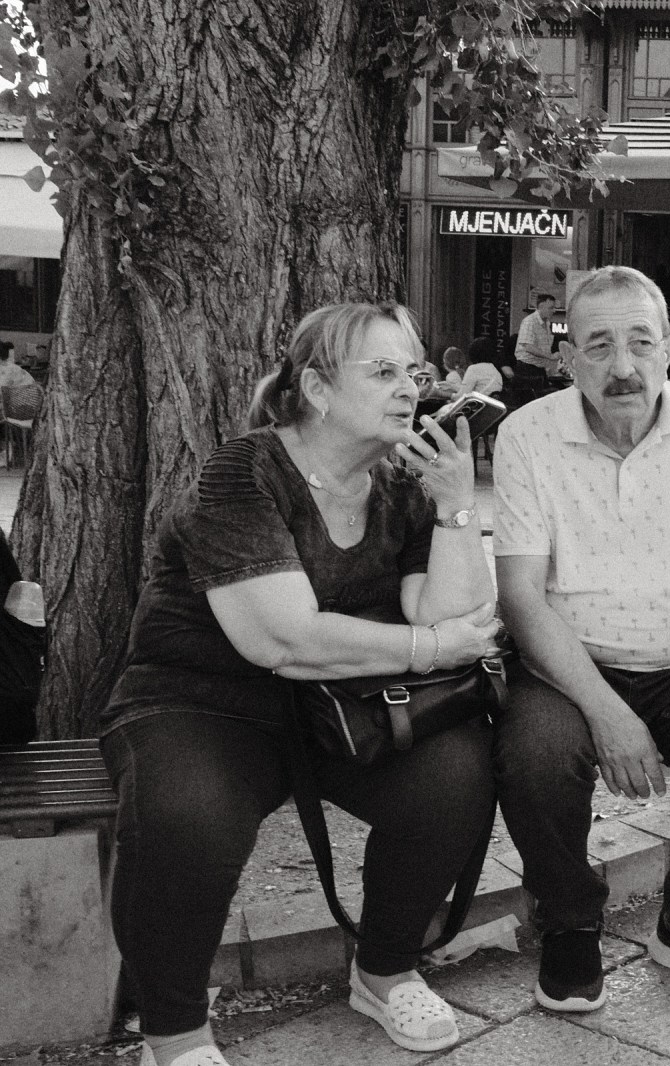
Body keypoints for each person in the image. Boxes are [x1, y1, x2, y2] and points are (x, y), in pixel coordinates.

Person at [98, 303, 501, 1066]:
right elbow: (279, 638)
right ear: (316, 388)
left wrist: (456, 506)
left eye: (412, 372)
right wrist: (431, 644)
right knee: (188, 812)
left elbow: (455, 616)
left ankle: (385, 971)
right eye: (381, 371)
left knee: (456, 773)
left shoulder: (404, 488)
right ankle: (173, 1033)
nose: (408, 388)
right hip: (199, 698)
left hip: (338, 707)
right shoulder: (245, 470)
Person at [492, 266, 670, 1013]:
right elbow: (522, 596)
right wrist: (606, 711)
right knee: (535, 754)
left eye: (639, 343)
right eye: (597, 347)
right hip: (569, 660)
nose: (621, 367)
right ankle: (569, 924)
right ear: (568, 359)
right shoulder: (528, 434)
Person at [513, 293, 562, 378]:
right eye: (551, 308)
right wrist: (550, 356)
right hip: (527, 369)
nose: (554, 311)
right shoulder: (529, 321)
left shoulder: (547, 323)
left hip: (539, 369)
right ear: (541, 306)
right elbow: (528, 346)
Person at [438, 344, 504, 399]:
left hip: (476, 408)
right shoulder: (495, 370)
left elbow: (462, 397)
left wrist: (438, 393)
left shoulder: (473, 369)